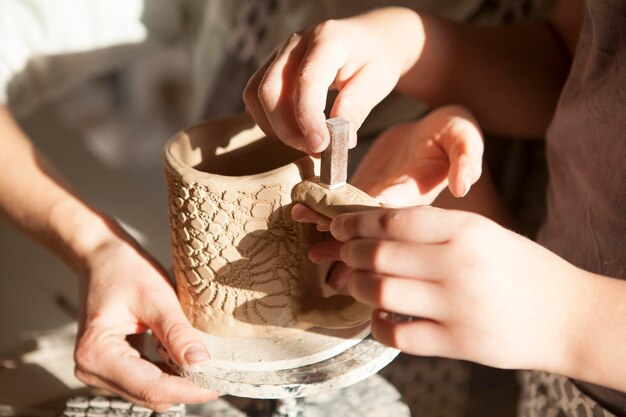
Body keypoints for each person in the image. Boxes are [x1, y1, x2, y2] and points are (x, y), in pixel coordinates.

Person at [244, 0, 626, 415]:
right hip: (545, 366)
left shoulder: (557, 319)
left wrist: (569, 315)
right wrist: (412, 43)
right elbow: (575, 60)